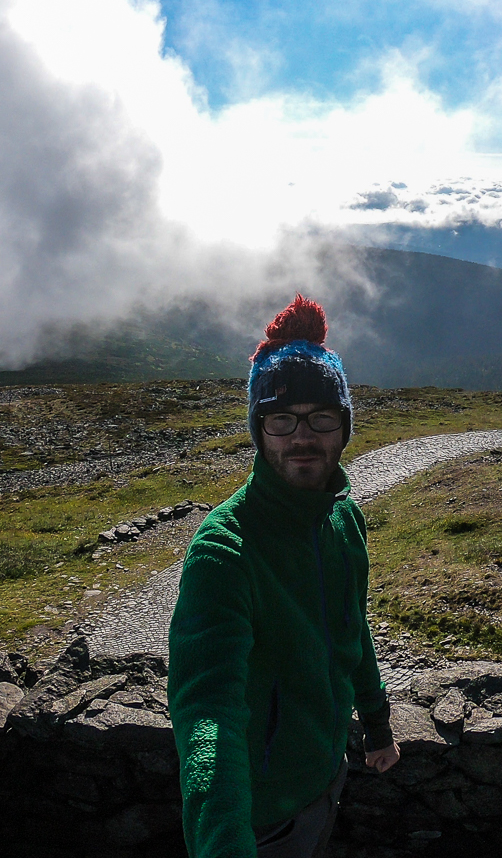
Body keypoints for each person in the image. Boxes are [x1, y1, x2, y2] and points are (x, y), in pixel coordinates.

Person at [168, 294, 400, 858]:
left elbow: (351, 628)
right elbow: (207, 714)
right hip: (263, 818)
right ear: (259, 429)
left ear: (343, 428)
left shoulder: (344, 519)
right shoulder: (224, 551)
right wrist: (224, 840)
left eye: (321, 418)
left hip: (328, 774)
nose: (302, 437)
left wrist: (375, 721)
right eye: (281, 420)